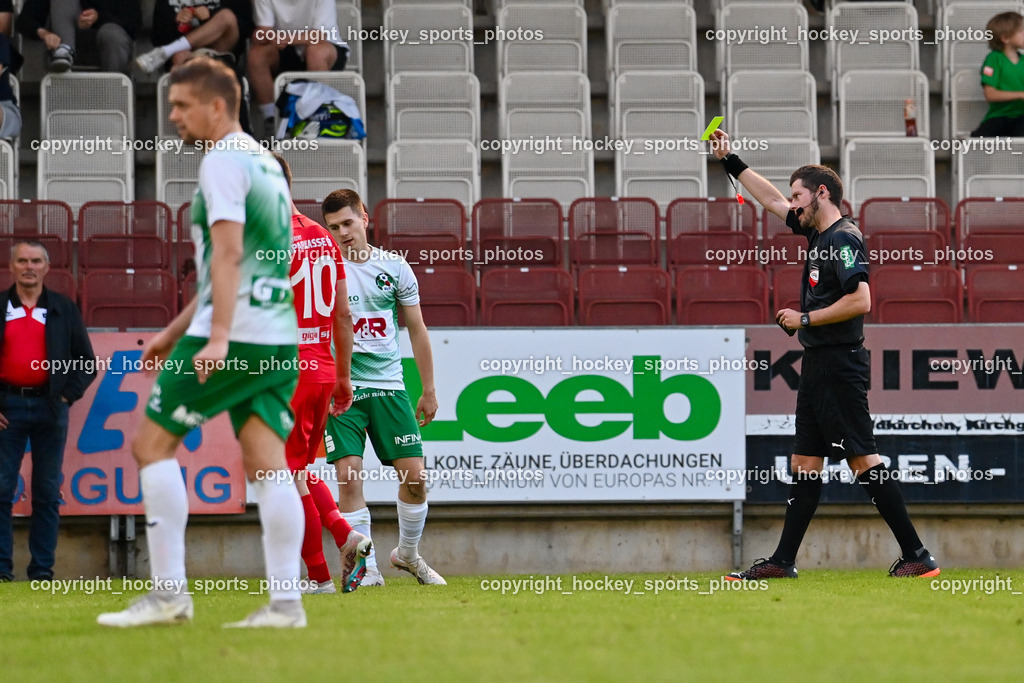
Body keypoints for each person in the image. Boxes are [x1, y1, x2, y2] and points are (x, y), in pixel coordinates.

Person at [98, 57, 307, 627]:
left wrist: (213, 338)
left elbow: (230, 255)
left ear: (218, 105)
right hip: (275, 336)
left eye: (182, 105)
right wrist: (172, 332)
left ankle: (169, 596)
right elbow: (234, 263)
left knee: (150, 447)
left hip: (233, 335)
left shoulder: (221, 161)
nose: (173, 116)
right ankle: (287, 604)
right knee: (268, 466)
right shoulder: (263, 162)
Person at [709, 129, 941, 580]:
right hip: (818, 365)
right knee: (806, 462)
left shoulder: (843, 239)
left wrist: (806, 320)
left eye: (799, 195)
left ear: (821, 193)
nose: (791, 205)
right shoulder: (817, 233)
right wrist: (732, 160)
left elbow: (862, 301)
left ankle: (917, 555)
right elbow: (772, 201)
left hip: (839, 364)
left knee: (862, 458)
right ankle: (782, 562)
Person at [320, 189, 445, 587]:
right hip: (343, 390)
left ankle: (406, 555)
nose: (342, 233)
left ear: (364, 218)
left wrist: (428, 389)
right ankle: (368, 569)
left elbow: (417, 329)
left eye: (347, 223)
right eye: (333, 227)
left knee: (415, 479)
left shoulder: (394, 267)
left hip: (390, 387)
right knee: (349, 475)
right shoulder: (324, 269)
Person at [271, 152, 370, 595]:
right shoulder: (322, 236)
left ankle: (318, 577)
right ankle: (345, 535)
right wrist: (344, 377)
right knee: (301, 471)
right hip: (322, 368)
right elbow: (343, 316)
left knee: (285, 477)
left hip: (286, 371)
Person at [0, 240, 96, 582]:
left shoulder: (63, 309)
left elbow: (86, 362)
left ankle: (42, 571)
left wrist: (67, 396)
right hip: (5, 408)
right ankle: (1, 571)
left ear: (47, 267)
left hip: (51, 408)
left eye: (36, 261)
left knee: (46, 491)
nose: (29, 266)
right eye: (22, 260)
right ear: (11, 266)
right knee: (0, 489)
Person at [247, 0, 350, 139]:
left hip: (324, 47)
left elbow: (318, 36)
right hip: (284, 48)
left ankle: (316, 116)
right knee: (256, 55)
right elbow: (265, 29)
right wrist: (261, 35)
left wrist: (282, 38)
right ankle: (271, 121)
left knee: (316, 53)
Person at [15, 0, 140, 75]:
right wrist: (45, 34)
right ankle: (64, 52)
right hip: (65, 44)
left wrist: (98, 18)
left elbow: (133, 23)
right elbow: (24, 21)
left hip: (111, 48)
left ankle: (115, 95)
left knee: (111, 34)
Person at [136, 1, 254, 74]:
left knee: (226, 16)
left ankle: (168, 50)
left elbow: (246, 27)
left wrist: (211, 15)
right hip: (187, 54)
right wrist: (176, 21)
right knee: (180, 58)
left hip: (221, 49)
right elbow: (158, 38)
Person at [972, 11, 1024, 137]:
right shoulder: (994, 59)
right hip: (999, 117)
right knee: (976, 144)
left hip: (1022, 117)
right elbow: (990, 94)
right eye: (1022, 32)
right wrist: (1021, 95)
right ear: (1005, 38)